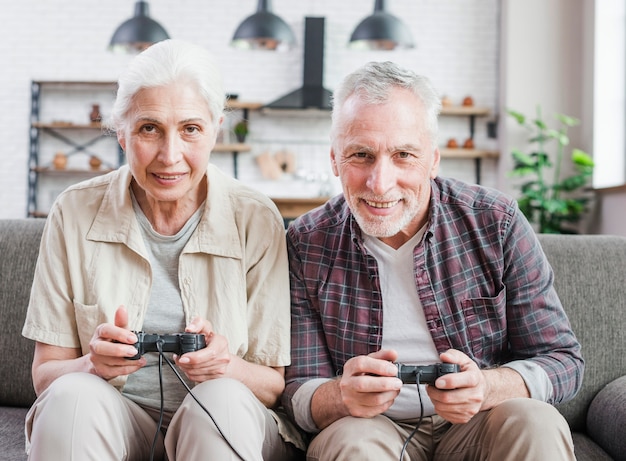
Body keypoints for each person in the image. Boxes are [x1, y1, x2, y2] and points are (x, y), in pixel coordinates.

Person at [282, 61, 584, 461]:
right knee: (350, 444)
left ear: (433, 160)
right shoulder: (306, 241)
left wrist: (488, 386)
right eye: (361, 155)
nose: (380, 183)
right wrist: (339, 395)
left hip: (480, 421)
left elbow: (563, 360)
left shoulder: (496, 222)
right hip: (369, 428)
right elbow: (298, 387)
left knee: (536, 422)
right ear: (335, 160)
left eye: (404, 154)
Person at [22, 39, 300, 461]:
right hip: (115, 419)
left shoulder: (256, 218)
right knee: (72, 396)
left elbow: (273, 384)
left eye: (190, 129)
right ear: (121, 132)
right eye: (149, 128)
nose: (170, 157)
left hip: (225, 418)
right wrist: (90, 365)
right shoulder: (74, 211)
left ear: (215, 129)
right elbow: (46, 375)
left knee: (220, 401)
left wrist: (225, 366)